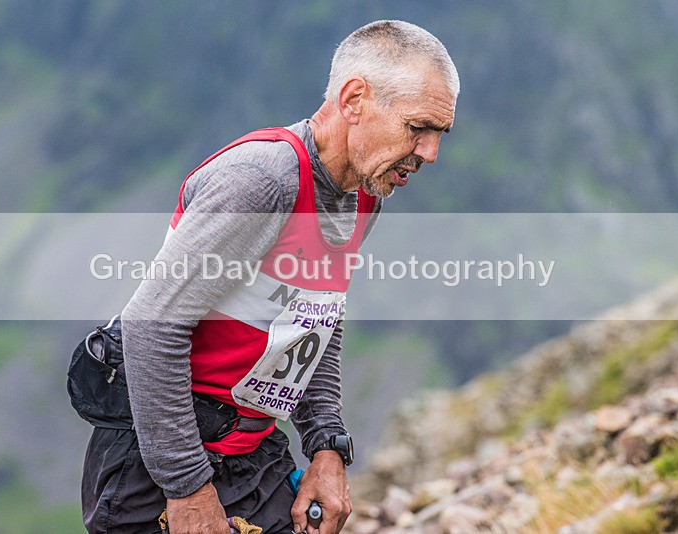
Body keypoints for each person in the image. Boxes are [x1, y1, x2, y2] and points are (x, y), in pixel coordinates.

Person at [81, 19, 459, 534]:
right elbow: (151, 326)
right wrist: (187, 490)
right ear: (354, 100)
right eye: (418, 128)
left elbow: (316, 320)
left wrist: (326, 446)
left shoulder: (364, 194)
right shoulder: (262, 183)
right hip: (158, 466)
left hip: (252, 453)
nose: (430, 153)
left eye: (439, 134)